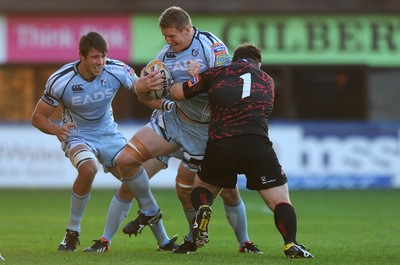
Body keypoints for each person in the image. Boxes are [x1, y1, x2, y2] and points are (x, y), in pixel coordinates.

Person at [87, 6, 261, 254]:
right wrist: (142, 86)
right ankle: (147, 212)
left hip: (203, 132)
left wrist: (201, 78)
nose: (169, 42)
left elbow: (228, 87)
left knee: (214, 192)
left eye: (172, 36)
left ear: (187, 29)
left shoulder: (212, 46)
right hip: (173, 121)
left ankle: (243, 242)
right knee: (126, 161)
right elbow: (144, 95)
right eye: (165, 37)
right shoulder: (165, 56)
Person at [31, 31, 176, 252]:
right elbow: (38, 117)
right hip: (78, 134)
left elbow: (141, 93)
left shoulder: (116, 69)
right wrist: (56, 130)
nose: (100, 62)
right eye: (95, 57)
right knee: (88, 169)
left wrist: (166, 103)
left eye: (103, 56)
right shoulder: (60, 80)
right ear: (81, 56)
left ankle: (164, 241)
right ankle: (72, 232)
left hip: (109, 134)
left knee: (134, 182)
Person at [168, 43, 315, 259]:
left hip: (222, 142)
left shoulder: (216, 72)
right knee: (281, 200)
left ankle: (203, 209)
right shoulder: (267, 80)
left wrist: (174, 81)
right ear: (259, 63)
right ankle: (290, 243)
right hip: (256, 143)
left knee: (202, 188)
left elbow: (179, 94)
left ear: (234, 59)